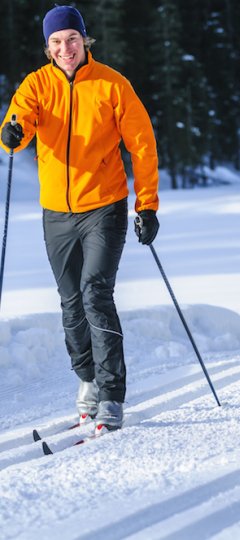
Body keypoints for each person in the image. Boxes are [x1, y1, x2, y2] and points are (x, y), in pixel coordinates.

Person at [0, 5, 160, 434]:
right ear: (47, 47)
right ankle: (87, 380)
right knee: (70, 302)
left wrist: (147, 205)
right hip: (56, 213)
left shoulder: (112, 84)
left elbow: (142, 145)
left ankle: (111, 395)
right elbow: (19, 124)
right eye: (55, 42)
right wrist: (11, 134)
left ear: (84, 40)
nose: (64, 48)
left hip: (104, 207)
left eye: (71, 39)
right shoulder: (37, 84)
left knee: (95, 293)